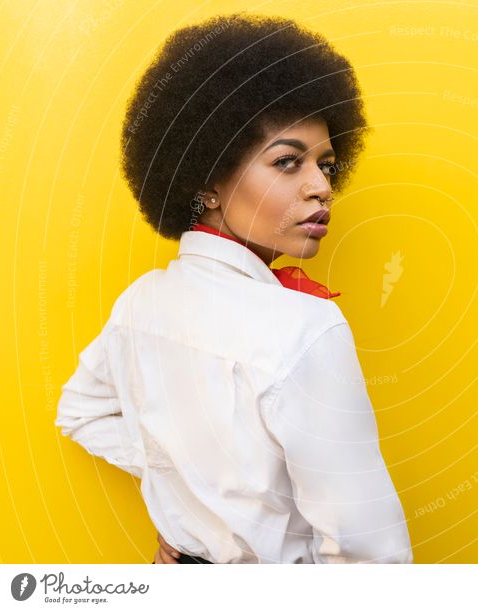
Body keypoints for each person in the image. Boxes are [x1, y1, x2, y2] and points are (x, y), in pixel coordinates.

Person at [55, 12, 413, 564]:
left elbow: (79, 410)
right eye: (288, 162)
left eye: (326, 164)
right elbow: (369, 555)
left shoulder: (139, 303)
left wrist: (185, 484)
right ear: (208, 180)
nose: (321, 188)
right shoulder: (306, 328)